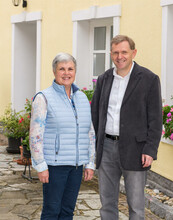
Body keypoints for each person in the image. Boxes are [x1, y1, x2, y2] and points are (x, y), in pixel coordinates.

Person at [91, 35, 162, 220]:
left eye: (124, 52)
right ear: (111, 54)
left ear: (133, 53)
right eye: (115, 52)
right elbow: (96, 114)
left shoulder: (149, 79)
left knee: (136, 206)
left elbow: (155, 119)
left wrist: (150, 149)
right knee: (107, 204)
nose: (119, 56)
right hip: (106, 148)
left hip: (136, 150)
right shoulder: (104, 79)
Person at [29, 52, 95, 220]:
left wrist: (90, 162)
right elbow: (36, 135)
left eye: (70, 69)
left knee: (67, 212)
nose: (66, 73)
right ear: (54, 72)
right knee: (52, 211)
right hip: (54, 166)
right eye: (62, 69)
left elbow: (89, 131)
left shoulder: (81, 97)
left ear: (75, 71)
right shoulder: (43, 98)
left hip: (76, 166)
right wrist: (41, 165)